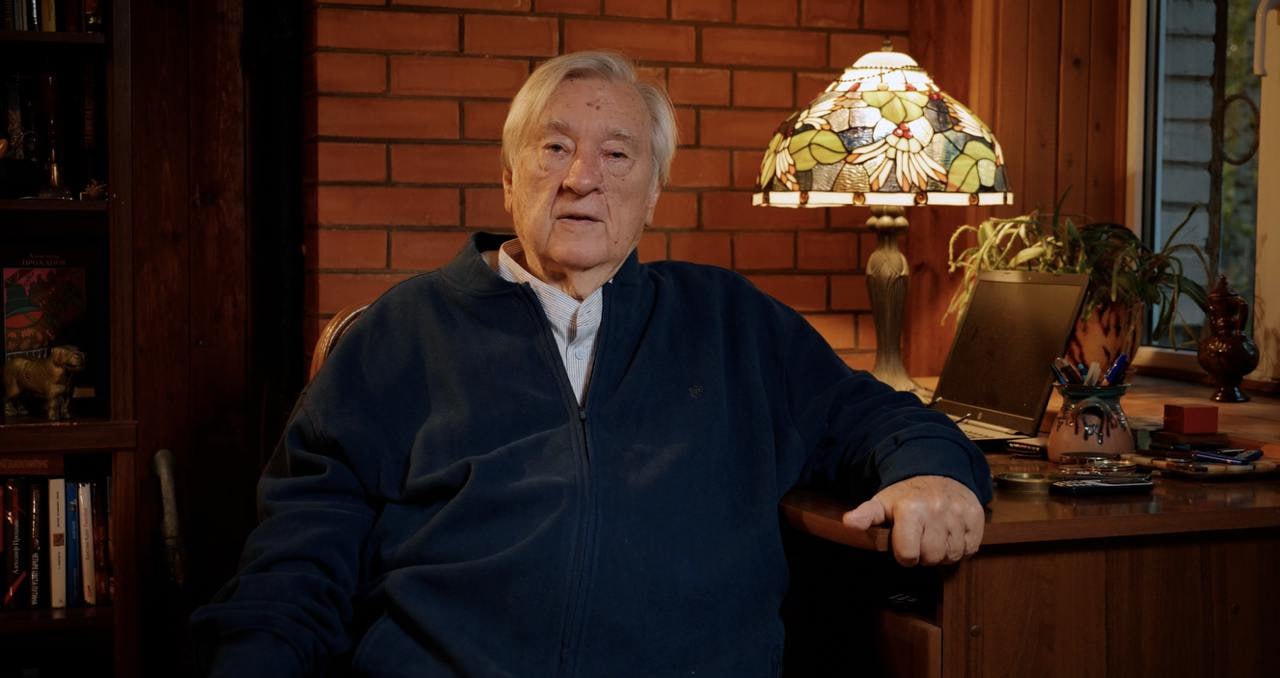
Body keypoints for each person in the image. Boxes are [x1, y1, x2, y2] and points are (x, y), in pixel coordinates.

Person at [192, 50, 991, 677]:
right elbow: (294, 564)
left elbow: (877, 414)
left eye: (617, 154)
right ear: (508, 176)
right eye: (555, 149)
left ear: (652, 193)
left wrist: (932, 472)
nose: (582, 179)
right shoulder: (403, 332)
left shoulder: (731, 323)